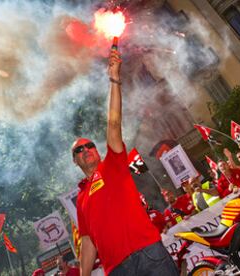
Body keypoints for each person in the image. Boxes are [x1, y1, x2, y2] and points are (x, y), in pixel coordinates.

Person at [73, 49, 178, 275]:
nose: (85, 150)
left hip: (148, 253)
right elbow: (88, 241)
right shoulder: (81, 199)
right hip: (117, 270)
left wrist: (114, 79)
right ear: (76, 161)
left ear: (98, 151)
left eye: (89, 145)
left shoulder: (112, 164)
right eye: (79, 150)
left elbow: (113, 123)